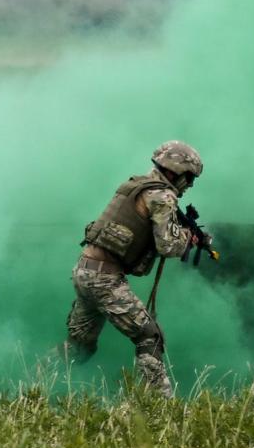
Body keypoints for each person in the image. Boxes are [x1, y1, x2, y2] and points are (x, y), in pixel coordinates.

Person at [60, 140, 206, 397]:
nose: (189, 184)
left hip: (85, 271)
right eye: (189, 177)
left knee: (80, 346)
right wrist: (188, 238)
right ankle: (157, 408)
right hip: (104, 279)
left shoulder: (135, 185)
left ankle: (33, 383)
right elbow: (168, 245)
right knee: (150, 337)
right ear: (175, 171)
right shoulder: (162, 195)